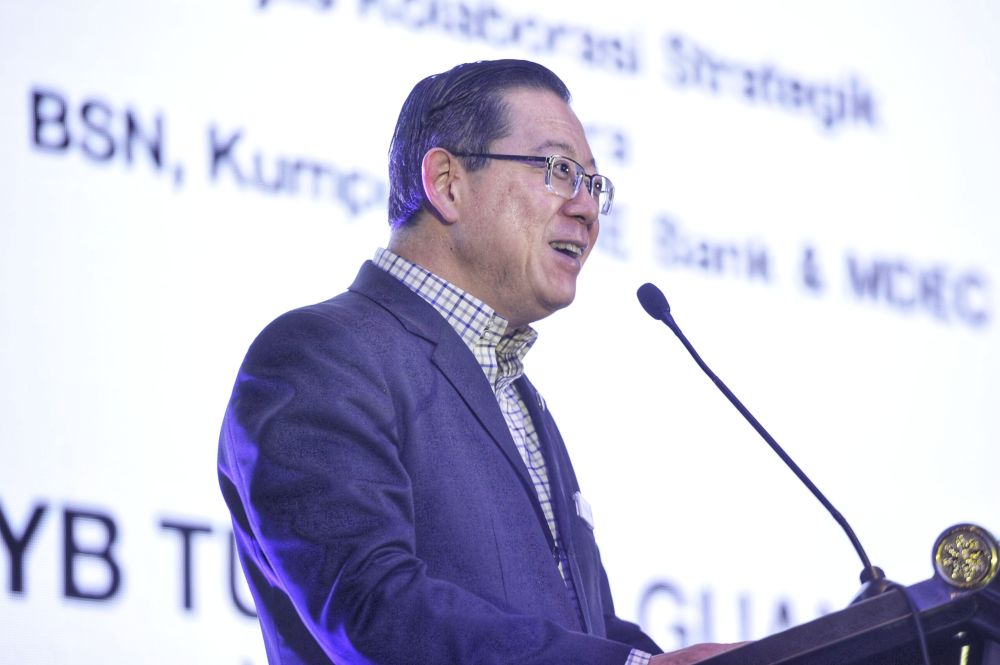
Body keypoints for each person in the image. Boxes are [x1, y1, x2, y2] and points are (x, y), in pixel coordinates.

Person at [219, 59, 741, 664]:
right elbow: (376, 609)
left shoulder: (515, 391)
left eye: (594, 184)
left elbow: (580, 629)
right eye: (560, 170)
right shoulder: (320, 356)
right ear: (446, 181)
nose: (587, 210)